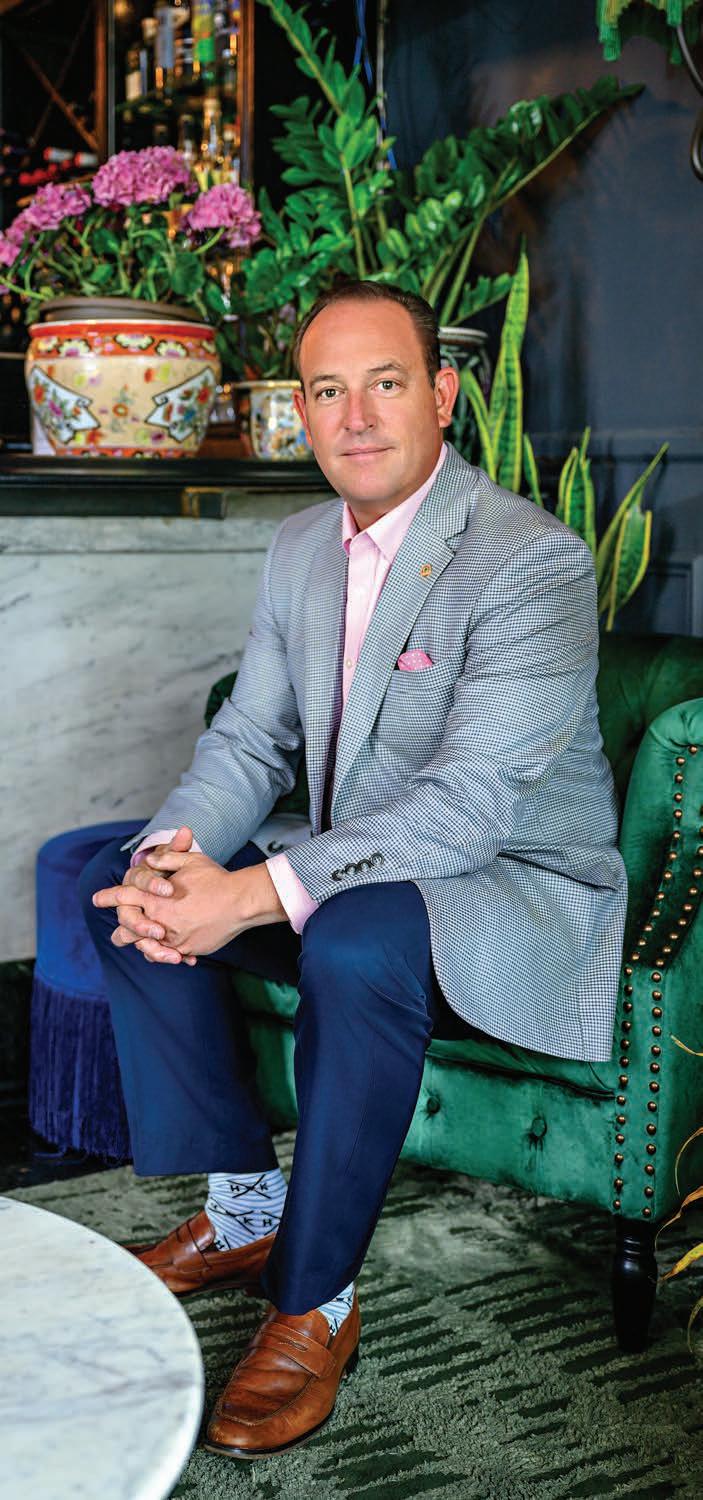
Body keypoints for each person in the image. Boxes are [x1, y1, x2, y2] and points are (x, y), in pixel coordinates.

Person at [80, 278, 627, 1461]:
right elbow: (251, 739)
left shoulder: (531, 562)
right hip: (355, 874)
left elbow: (470, 810)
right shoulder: (298, 548)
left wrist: (250, 893)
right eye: (328, 391)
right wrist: (179, 860)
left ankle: (314, 1300)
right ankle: (245, 1206)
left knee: (353, 931)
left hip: (504, 891)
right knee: (116, 873)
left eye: (385, 383)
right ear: (304, 410)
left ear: (442, 393)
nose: (357, 417)